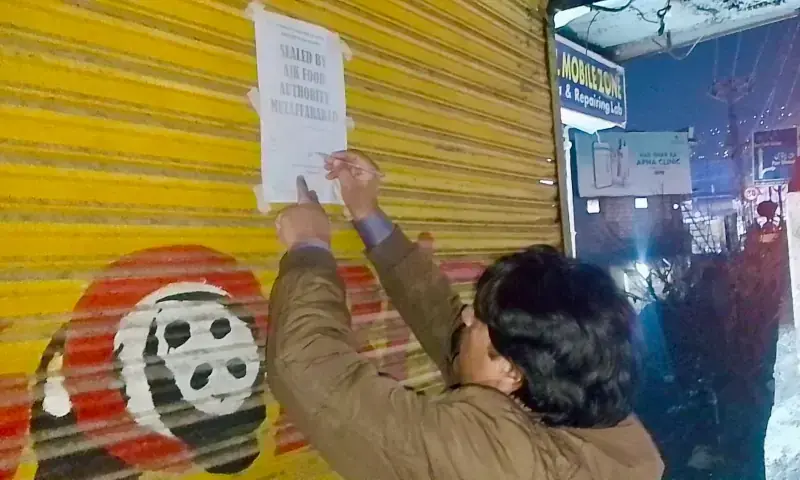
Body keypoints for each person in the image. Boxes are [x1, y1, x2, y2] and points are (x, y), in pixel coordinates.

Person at [267, 150, 664, 480]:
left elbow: (304, 365)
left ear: (512, 372)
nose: (467, 319)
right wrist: (367, 213)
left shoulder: (495, 461)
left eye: (479, 321)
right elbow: (449, 331)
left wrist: (309, 247)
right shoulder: (587, 414)